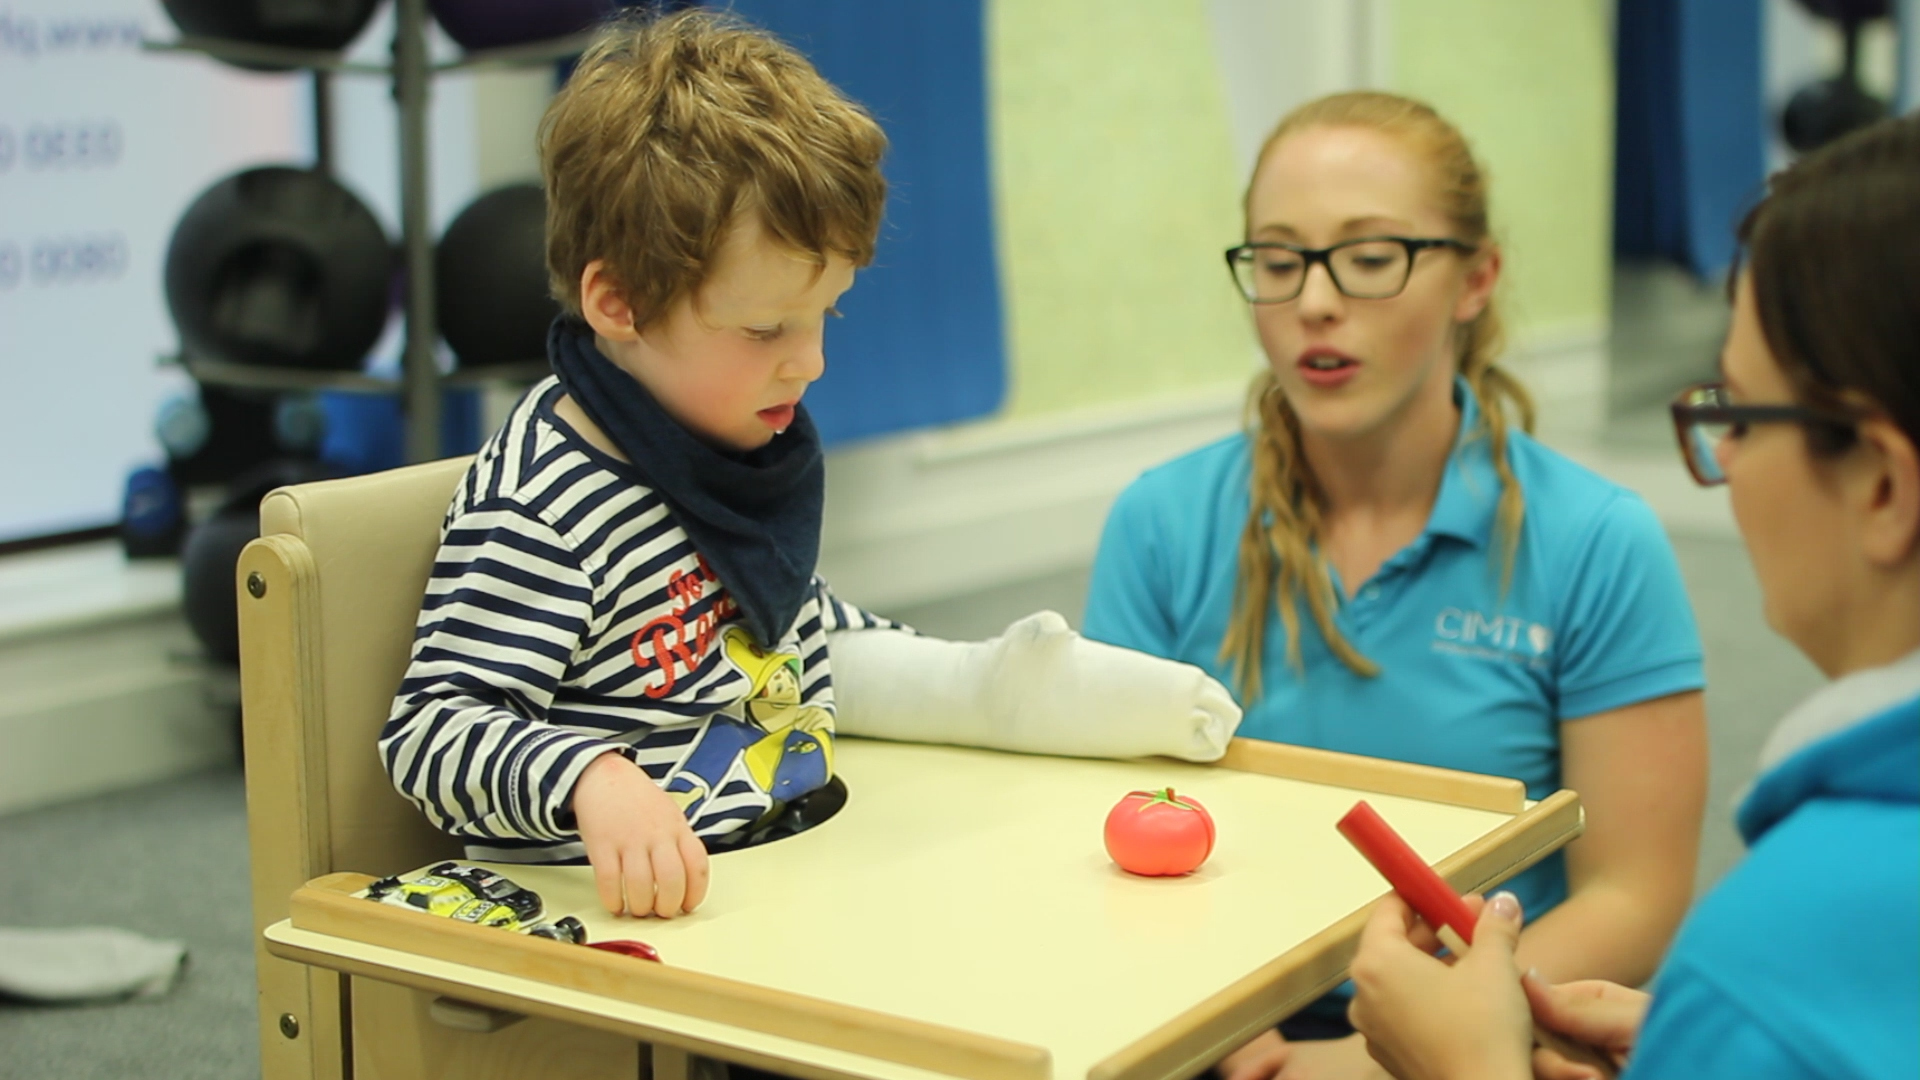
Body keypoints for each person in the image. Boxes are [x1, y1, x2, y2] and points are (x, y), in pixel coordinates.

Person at [380, 10, 1241, 923]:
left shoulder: (712, 434)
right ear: (618, 302)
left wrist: (987, 686)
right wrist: (589, 776)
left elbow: (789, 628)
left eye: (824, 317)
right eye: (765, 330)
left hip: (776, 861)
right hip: (631, 915)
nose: (811, 363)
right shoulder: (542, 509)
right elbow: (434, 731)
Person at [1082, 92, 1708, 1078]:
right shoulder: (1160, 524)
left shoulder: (1596, 541)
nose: (1315, 302)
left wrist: (1397, 1053)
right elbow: (1122, 836)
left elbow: (1635, 892)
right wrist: (1214, 1029)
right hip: (1223, 1024)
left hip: (1487, 1034)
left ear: (1476, 279)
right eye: (1279, 261)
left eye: (1370, 258)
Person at [1345, 111, 1919, 1080]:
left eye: (1734, 412)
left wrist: (1466, 1069)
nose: (1723, 461)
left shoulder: (1769, 961)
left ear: (1883, 487)